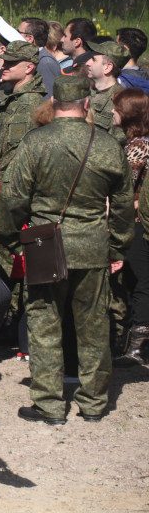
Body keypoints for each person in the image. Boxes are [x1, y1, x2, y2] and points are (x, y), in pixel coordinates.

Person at [0, 74, 135, 425]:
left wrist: (13, 239)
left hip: (45, 241)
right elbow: (121, 204)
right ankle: (93, 402)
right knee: (93, 326)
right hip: (92, 243)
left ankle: (49, 404)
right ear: (87, 104)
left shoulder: (35, 142)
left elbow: (13, 198)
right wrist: (116, 245)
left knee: (44, 323)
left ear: (54, 104)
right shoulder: (107, 145)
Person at [114, 89, 149, 365]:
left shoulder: (139, 146)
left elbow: (124, 187)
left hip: (136, 222)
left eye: (117, 109)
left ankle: (136, 349)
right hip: (134, 219)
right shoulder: (135, 143)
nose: (112, 113)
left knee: (140, 281)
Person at [0, 40, 46, 179]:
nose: (4, 66)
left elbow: (15, 152)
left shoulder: (27, 103)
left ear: (29, 68)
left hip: (8, 181)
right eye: (5, 62)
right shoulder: (13, 97)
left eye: (11, 64)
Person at [85, 40, 129, 139]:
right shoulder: (84, 90)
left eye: (93, 59)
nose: (87, 63)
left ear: (107, 67)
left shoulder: (120, 101)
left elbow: (118, 141)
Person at [18, 16, 60, 96]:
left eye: (18, 32)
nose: (15, 34)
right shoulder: (35, 58)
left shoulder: (45, 62)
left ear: (29, 38)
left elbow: (49, 99)